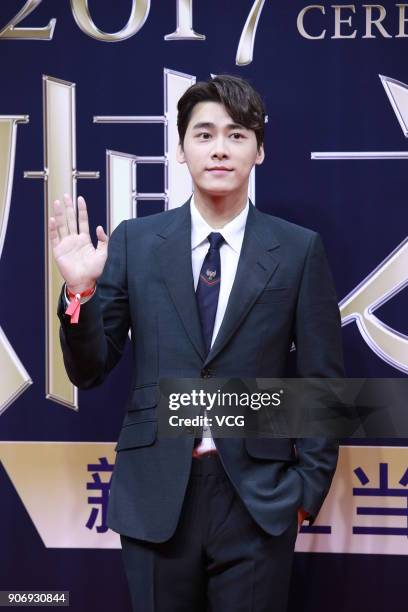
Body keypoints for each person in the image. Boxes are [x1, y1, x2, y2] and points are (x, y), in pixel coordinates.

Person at [49, 75, 344, 612]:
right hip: (157, 493)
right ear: (181, 149)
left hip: (258, 497)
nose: (219, 149)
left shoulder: (299, 251)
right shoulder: (136, 243)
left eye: (236, 135)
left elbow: (323, 382)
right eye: (204, 135)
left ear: (259, 149)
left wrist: (303, 494)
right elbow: (89, 370)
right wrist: (79, 291)